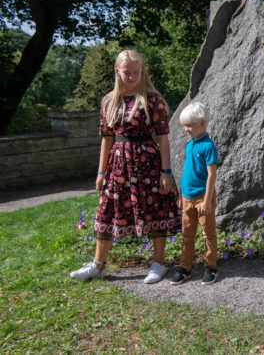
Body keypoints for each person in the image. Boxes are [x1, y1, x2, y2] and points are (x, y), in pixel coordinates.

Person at [70, 49, 180, 284]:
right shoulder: (109, 100)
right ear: (117, 71)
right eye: (127, 72)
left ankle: (158, 263)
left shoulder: (153, 99)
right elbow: (107, 139)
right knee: (107, 210)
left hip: (148, 163)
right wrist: (101, 172)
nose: (131, 77)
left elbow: (163, 137)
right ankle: (98, 265)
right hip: (117, 166)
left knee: (156, 209)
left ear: (142, 71)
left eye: (136, 72)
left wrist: (166, 171)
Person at [168, 101, 219, 285]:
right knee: (187, 234)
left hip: (203, 198)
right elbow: (187, 170)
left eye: (189, 125)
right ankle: (185, 267)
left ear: (202, 123)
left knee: (208, 234)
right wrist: (182, 195)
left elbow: (212, 174)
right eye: (184, 125)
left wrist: (207, 200)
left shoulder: (208, 146)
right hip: (187, 197)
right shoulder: (189, 144)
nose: (186, 129)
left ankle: (211, 266)